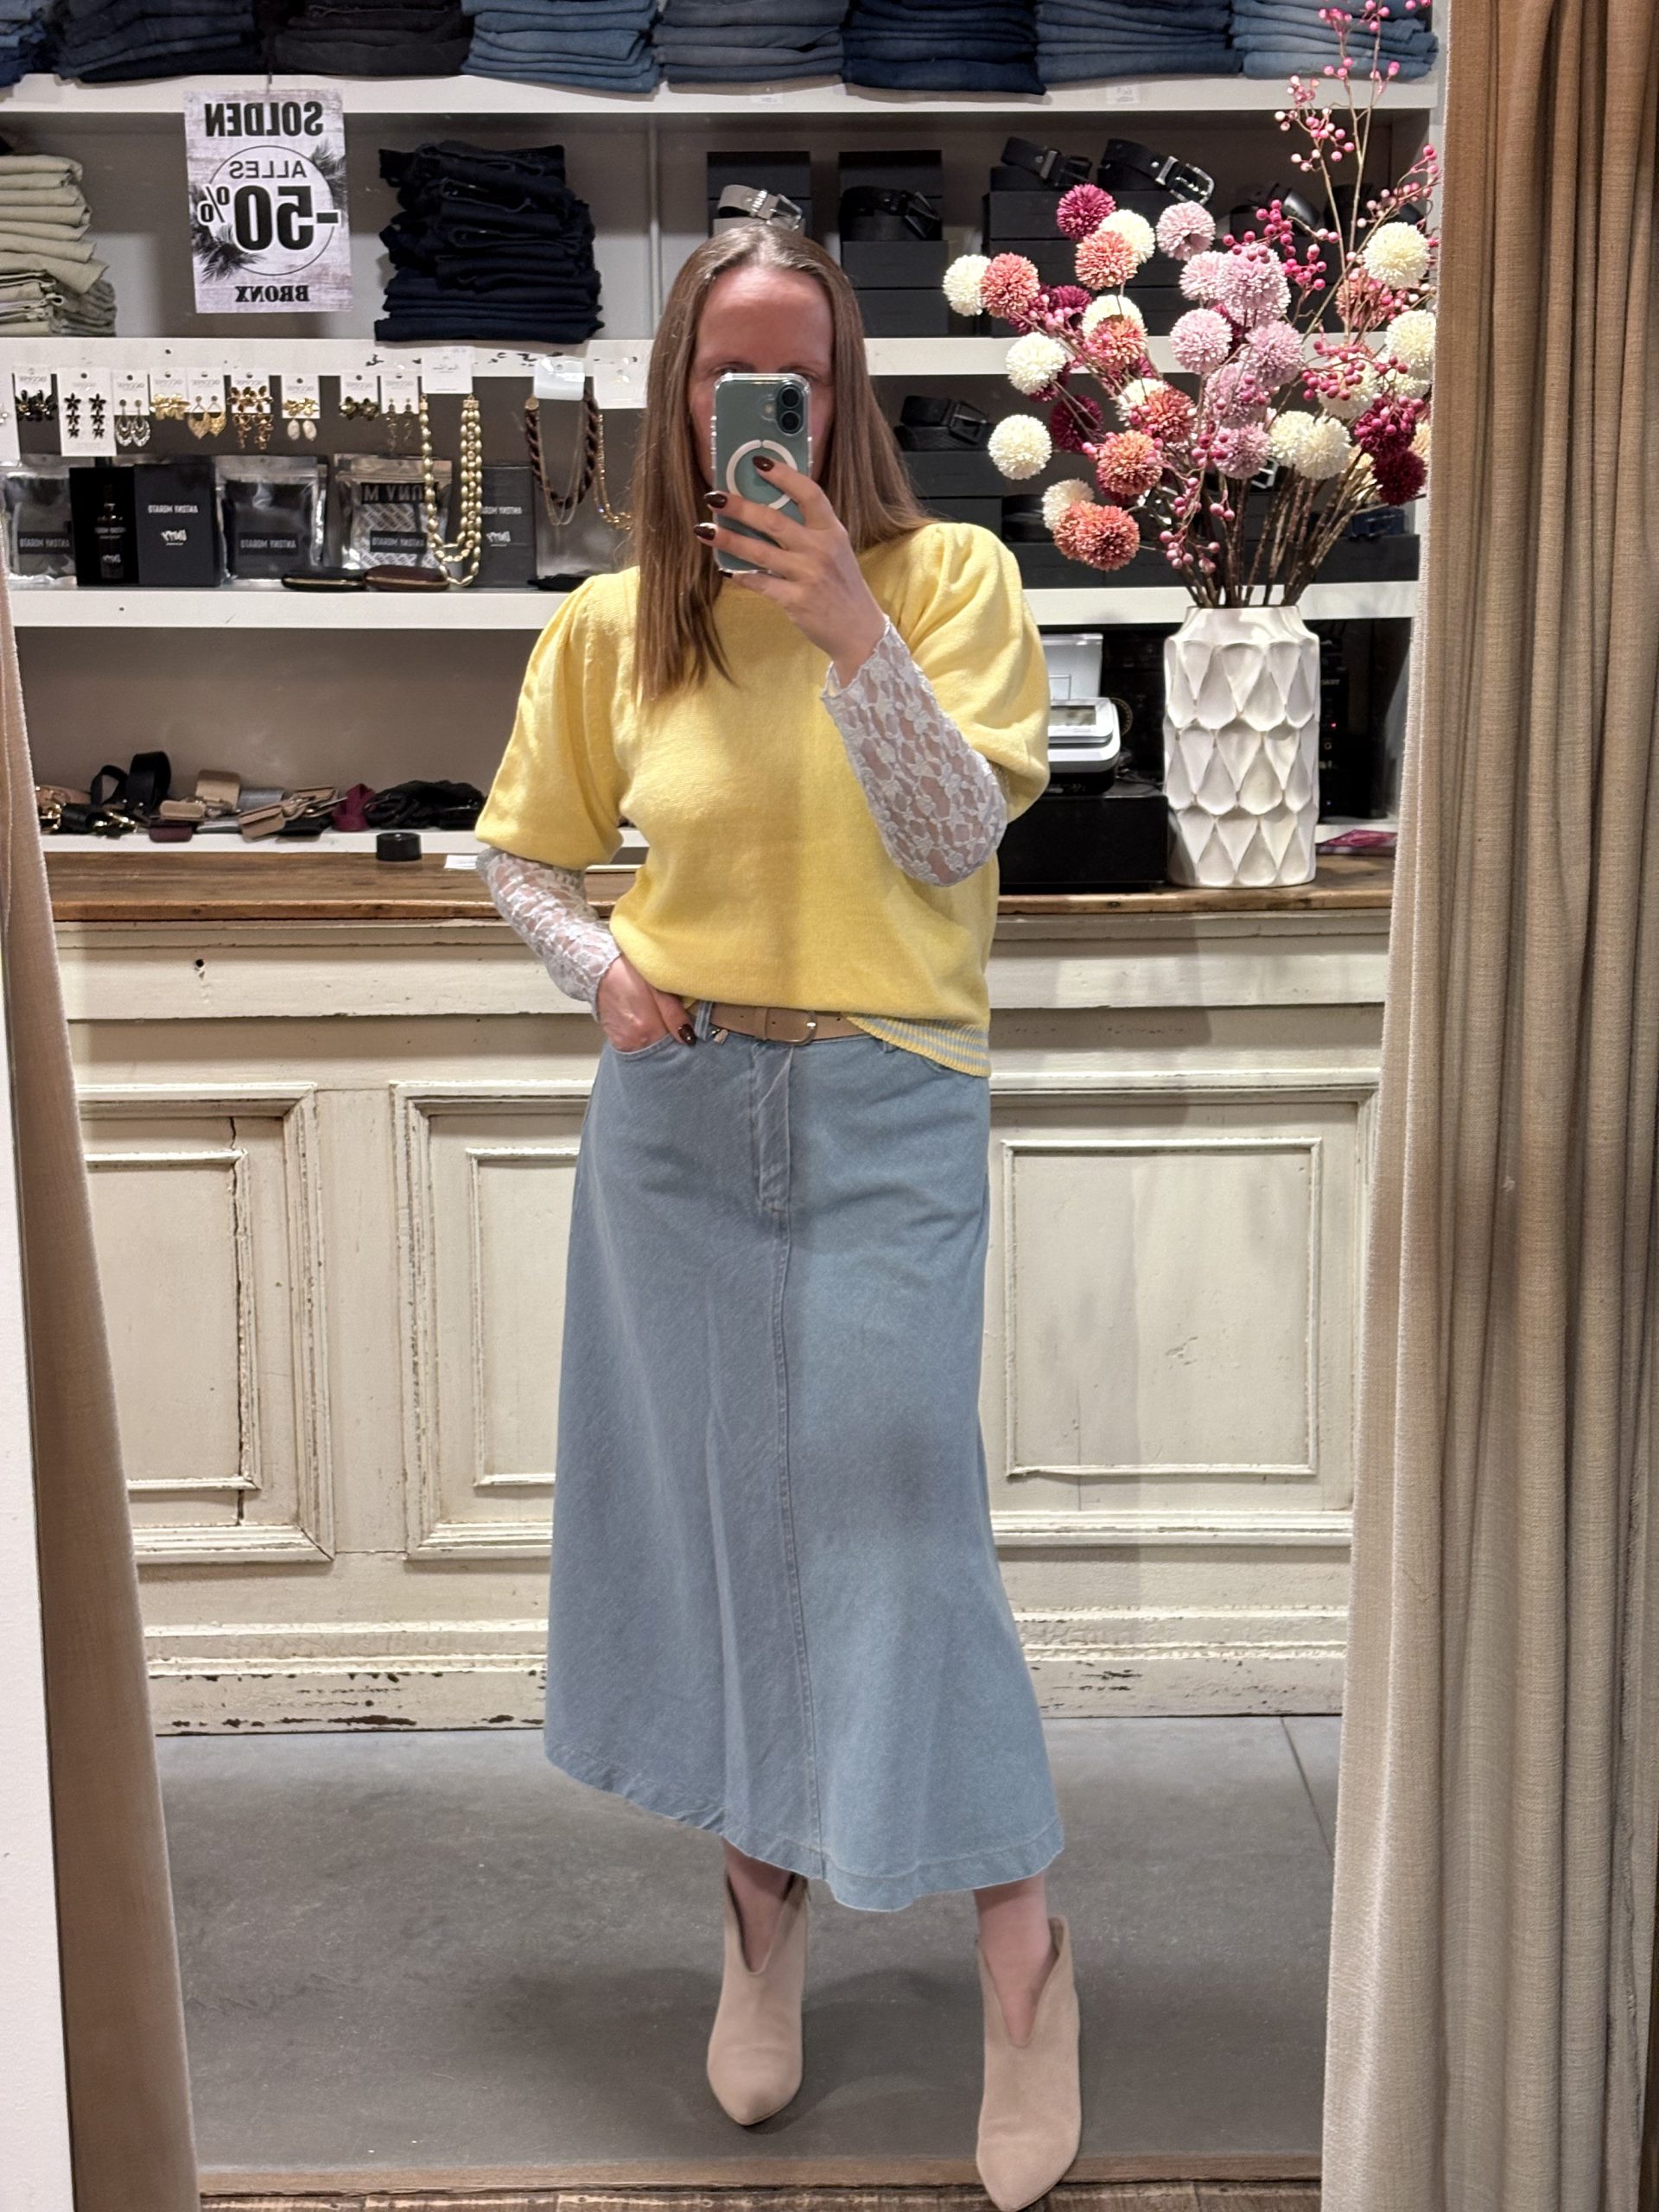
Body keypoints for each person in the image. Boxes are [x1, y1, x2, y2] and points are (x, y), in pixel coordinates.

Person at [473, 219, 1081, 2209]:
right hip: (677, 1117)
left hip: (890, 1109)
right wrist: (598, 971)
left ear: (841, 392)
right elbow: (523, 862)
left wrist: (848, 629)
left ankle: (1024, 1955)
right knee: (727, 1530)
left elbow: (955, 835)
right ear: (680, 396)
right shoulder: (614, 624)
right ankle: (760, 1910)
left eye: (800, 376)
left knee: (908, 1524)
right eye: (732, 373)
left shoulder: (952, 578)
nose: (769, 408)